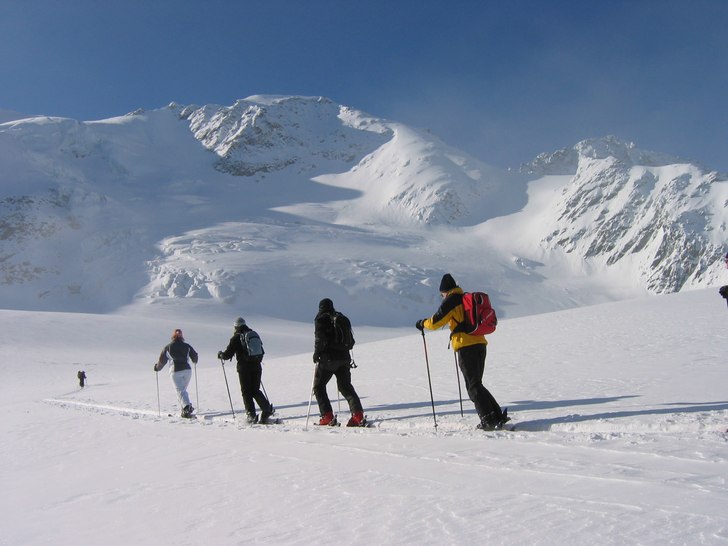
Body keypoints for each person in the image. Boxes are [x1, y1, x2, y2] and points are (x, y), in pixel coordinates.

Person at [416, 273, 509, 431]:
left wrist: (423, 323)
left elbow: (436, 322)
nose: (442, 296)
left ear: (445, 291)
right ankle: (496, 415)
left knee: (473, 387)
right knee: (477, 384)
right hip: (480, 343)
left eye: (442, 294)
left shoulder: (451, 300)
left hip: (466, 347)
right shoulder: (465, 298)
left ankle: (488, 419)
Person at [313, 298, 365, 427]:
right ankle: (358, 415)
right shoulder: (341, 318)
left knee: (319, 386)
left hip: (329, 359)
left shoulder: (321, 319)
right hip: (345, 358)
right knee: (345, 386)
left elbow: (320, 339)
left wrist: (317, 353)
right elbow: (351, 341)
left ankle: (327, 416)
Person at [218, 317, 274, 424]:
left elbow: (227, 354)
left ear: (236, 327)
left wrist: (221, 355)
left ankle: (251, 415)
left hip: (244, 368)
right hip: (257, 366)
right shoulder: (253, 334)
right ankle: (266, 408)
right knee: (255, 390)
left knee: (246, 392)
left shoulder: (236, 338)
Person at [155, 328, 198, 418]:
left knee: (180, 390)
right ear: (182, 336)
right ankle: (185, 409)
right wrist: (195, 360)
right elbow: (194, 356)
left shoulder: (168, 347)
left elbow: (162, 361)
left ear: (173, 336)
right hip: (187, 371)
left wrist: (157, 368)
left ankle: (186, 407)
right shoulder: (187, 346)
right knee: (182, 390)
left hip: (175, 371)